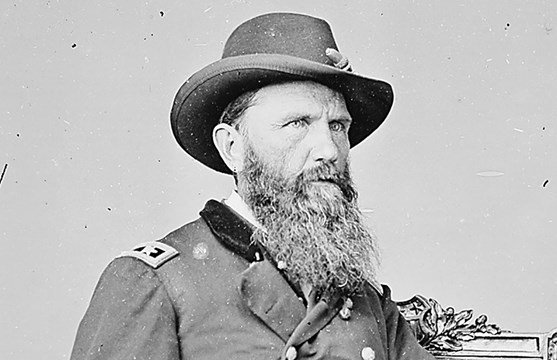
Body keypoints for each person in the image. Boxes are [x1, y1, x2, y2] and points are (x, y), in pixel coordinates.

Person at [70, 12, 435, 360]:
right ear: (233, 147)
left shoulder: (364, 299)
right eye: (298, 123)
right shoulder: (155, 283)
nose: (328, 149)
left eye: (338, 125)